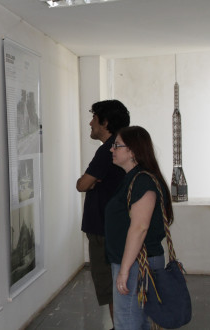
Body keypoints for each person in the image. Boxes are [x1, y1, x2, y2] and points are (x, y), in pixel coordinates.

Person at [104, 126, 173, 330]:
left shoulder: (142, 181)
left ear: (133, 151)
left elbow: (140, 227)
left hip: (136, 264)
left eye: (117, 145)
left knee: (128, 322)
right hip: (134, 263)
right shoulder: (133, 178)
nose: (111, 149)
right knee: (138, 322)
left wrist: (124, 271)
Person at [76, 99, 130, 328]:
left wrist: (90, 181)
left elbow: (81, 184)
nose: (90, 123)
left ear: (105, 122)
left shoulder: (107, 150)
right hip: (114, 228)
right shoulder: (123, 146)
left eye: (94, 119)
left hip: (104, 231)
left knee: (111, 287)